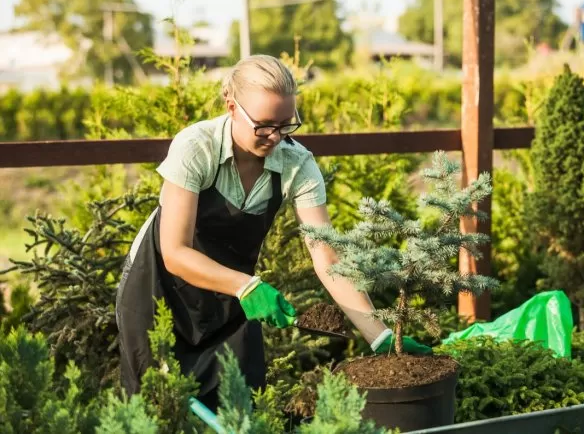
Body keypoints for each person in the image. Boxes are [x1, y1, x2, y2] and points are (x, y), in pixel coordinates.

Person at [115, 54, 430, 411]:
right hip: (157, 291)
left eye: (286, 124)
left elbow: (326, 258)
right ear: (232, 106)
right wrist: (246, 286)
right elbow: (175, 252)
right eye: (264, 125)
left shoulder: (297, 164)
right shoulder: (196, 147)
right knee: (157, 410)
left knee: (242, 405)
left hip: (230, 299)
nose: (276, 137)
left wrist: (380, 336)